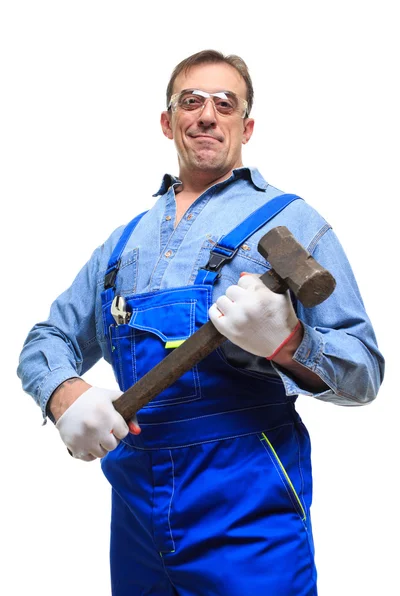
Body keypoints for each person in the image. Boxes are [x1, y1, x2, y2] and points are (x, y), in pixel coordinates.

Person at [17, 49, 384, 595]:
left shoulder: (291, 220)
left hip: (246, 509)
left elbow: (364, 374)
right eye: (191, 101)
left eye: (224, 103)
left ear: (247, 125)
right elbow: (46, 340)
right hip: (137, 513)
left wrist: (288, 342)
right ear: (168, 122)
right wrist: (64, 392)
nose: (207, 115)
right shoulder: (123, 243)